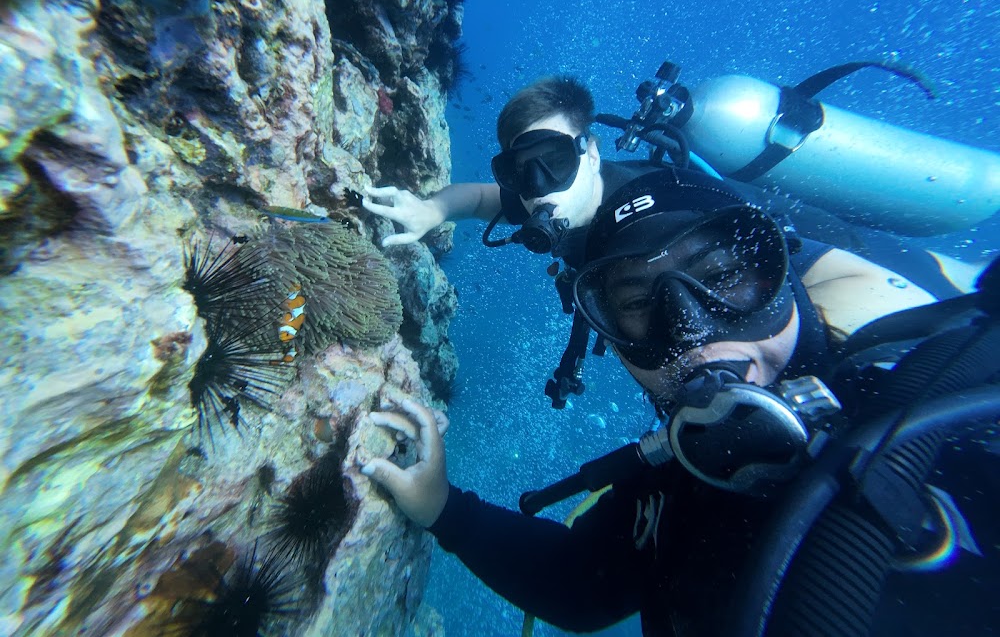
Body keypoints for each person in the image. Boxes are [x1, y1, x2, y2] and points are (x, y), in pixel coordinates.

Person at [359, 169, 1000, 636]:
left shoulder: (949, 402)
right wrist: (445, 508)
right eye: (638, 304)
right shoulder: (675, 481)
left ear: (781, 278)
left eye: (721, 277)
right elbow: (579, 588)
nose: (690, 332)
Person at [363, 75, 666, 268]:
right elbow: (479, 199)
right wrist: (431, 210)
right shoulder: (534, 199)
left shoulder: (655, 215)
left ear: (593, 155)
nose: (539, 187)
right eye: (519, 170)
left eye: (555, 160)